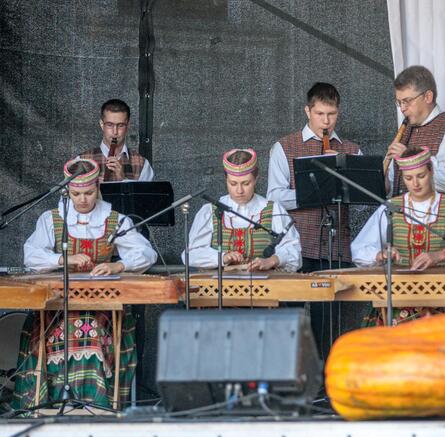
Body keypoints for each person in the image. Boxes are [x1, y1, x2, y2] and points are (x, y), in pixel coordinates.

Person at [13, 159, 157, 410]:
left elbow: (147, 253)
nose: (82, 199)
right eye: (76, 193)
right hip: (57, 307)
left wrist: (118, 265)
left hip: (101, 307)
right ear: (67, 191)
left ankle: (94, 404)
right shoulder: (52, 219)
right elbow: (31, 256)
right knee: (55, 329)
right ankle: (50, 402)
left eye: (88, 193)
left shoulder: (114, 220)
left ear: (98, 187)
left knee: (90, 328)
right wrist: (62, 259)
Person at [352, 147, 445, 325]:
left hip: (444, 300)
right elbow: (359, 248)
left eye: (421, 176)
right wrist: (380, 255)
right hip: (398, 301)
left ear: (431, 171)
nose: (415, 183)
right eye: (409, 178)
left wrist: (440, 256)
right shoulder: (391, 207)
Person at [266, 82, 362, 269]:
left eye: (331, 114)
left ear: (338, 112)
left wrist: (346, 168)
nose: (326, 121)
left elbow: (361, 203)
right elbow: (274, 198)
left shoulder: (353, 150)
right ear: (308, 111)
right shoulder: (284, 147)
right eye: (319, 114)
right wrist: (315, 192)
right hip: (296, 248)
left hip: (338, 250)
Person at [184, 149, 301, 271]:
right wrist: (222, 257)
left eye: (246, 183)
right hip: (217, 288)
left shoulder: (274, 210)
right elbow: (190, 254)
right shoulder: (210, 211)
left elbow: (295, 252)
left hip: (264, 286)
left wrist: (271, 261)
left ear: (256, 179)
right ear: (226, 180)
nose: (239, 191)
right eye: (233, 184)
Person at [385, 65, 445, 201]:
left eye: (407, 101)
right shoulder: (405, 130)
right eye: (399, 102)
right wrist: (382, 180)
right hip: (403, 217)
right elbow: (393, 184)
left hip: (440, 219)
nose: (402, 108)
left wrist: (409, 157)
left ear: (427, 96)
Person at [77, 99, 155, 182]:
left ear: (128, 125)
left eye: (120, 125)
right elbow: (71, 193)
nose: (115, 132)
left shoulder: (143, 165)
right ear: (102, 124)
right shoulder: (81, 161)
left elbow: (144, 195)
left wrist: (123, 179)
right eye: (110, 125)